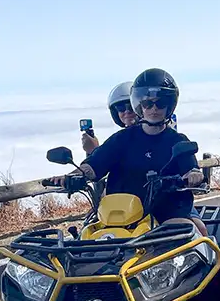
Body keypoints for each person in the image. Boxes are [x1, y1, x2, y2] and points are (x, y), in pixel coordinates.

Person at [51, 68, 208, 236]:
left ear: (169, 105)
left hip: (165, 214)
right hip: (118, 217)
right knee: (84, 239)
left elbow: (190, 167)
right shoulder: (121, 139)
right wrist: (73, 175)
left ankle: (217, 262)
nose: (153, 109)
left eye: (160, 103)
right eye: (148, 103)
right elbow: (94, 164)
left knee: (193, 234)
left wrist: (193, 176)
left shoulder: (178, 141)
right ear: (139, 105)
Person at [82, 81, 138, 157]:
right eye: (120, 107)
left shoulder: (148, 136)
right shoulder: (119, 140)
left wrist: (94, 151)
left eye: (131, 107)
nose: (127, 111)